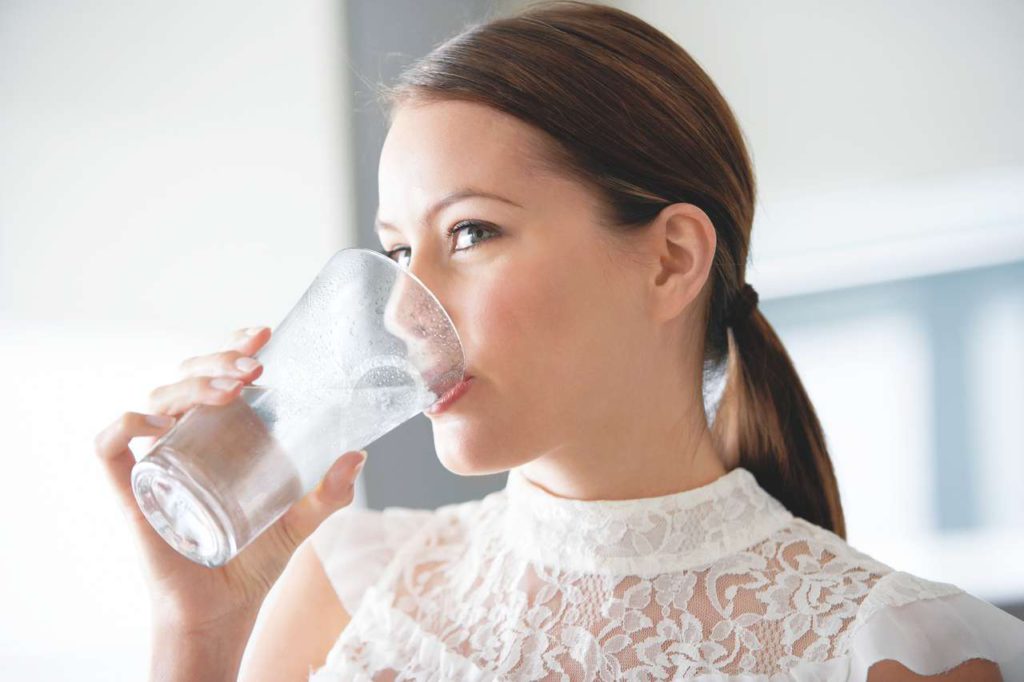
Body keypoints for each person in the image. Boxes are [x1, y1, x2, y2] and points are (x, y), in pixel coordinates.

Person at [94, 2, 1024, 680]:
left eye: (470, 233)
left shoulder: (894, 649)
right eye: (393, 252)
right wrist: (199, 631)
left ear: (669, 260)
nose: (400, 312)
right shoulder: (348, 586)